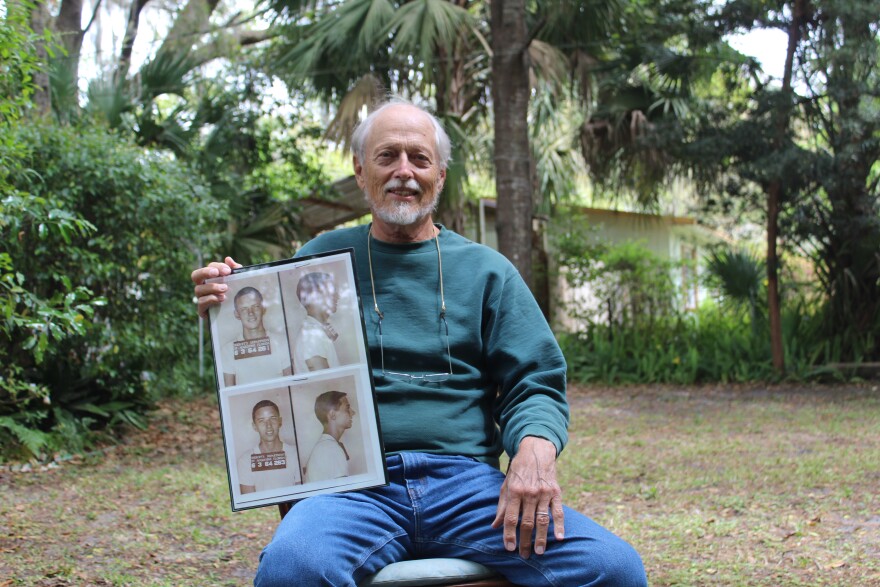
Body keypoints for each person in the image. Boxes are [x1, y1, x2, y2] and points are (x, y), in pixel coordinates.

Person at [193, 98, 648, 586]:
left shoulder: (486, 271)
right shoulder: (317, 260)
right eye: (388, 156)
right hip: (353, 487)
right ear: (360, 169)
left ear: (441, 174)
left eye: (420, 158)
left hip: (469, 487)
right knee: (291, 569)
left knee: (614, 569)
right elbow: (278, 361)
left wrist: (534, 450)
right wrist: (230, 294)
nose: (404, 172)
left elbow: (534, 382)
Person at [221, 286, 292, 387]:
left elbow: (290, 387)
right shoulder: (227, 351)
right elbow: (229, 393)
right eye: (244, 309)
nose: (251, 313)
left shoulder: (282, 342)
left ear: (263, 308)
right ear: (237, 314)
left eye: (255, 306)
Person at [236, 400, 301, 494]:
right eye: (261, 421)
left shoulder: (295, 454)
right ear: (254, 426)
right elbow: (250, 502)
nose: (268, 425)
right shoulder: (245, 460)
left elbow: (301, 496)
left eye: (273, 418)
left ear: (280, 421)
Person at [292, 272, 340, 373]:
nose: (338, 296)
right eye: (332, 291)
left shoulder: (317, 332)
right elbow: (326, 383)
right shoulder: (312, 337)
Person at [303, 390, 355, 483]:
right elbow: (343, 493)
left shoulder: (327, 446)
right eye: (347, 408)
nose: (353, 412)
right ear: (332, 414)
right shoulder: (331, 448)